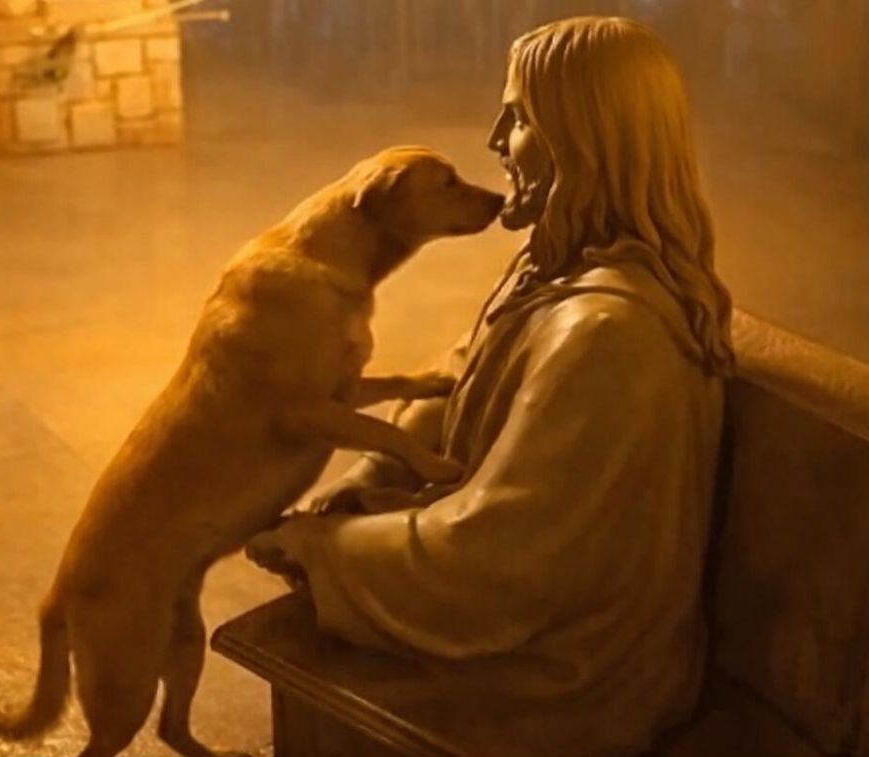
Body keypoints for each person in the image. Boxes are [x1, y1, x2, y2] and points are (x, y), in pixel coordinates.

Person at [246, 16, 734, 756]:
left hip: (564, 678)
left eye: (522, 117)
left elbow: (502, 562)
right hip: (517, 604)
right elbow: (453, 392)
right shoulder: (550, 272)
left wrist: (323, 548)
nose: (495, 139)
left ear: (588, 138)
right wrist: (363, 483)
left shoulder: (605, 333)